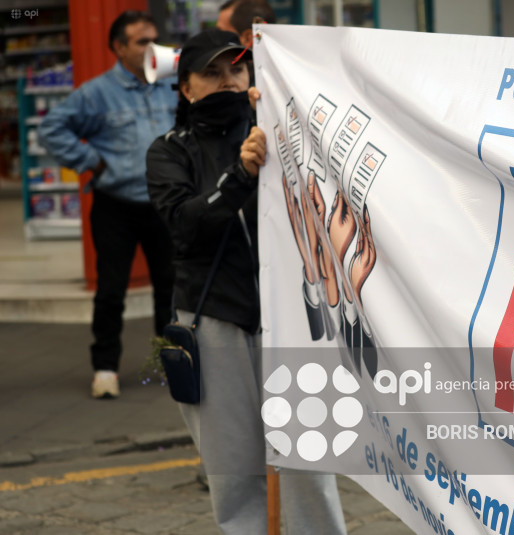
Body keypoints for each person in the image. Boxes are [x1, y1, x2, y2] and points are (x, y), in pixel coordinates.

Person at [146, 28, 347, 534]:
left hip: (295, 322)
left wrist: (280, 127)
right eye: (211, 73)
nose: (228, 81)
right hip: (214, 322)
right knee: (234, 472)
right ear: (186, 88)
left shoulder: (280, 129)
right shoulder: (169, 151)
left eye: (237, 68)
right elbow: (183, 227)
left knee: (309, 466)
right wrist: (239, 174)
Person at [39, 10, 175, 399]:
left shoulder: (169, 85)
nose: (152, 47)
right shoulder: (96, 93)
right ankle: (105, 368)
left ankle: (171, 361)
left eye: (155, 39)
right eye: (141, 41)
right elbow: (52, 128)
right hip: (115, 205)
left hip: (164, 204)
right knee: (111, 290)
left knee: (170, 288)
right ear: (118, 47)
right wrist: (89, 162)